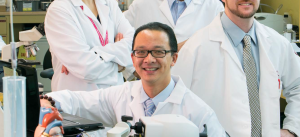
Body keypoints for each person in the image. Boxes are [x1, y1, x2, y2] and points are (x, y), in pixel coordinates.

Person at [172, 0, 300, 137]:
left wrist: (292, 129)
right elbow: (175, 104)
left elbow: (297, 86)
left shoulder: (278, 43)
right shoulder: (197, 47)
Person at [36, 22, 226, 137]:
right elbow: (74, 100)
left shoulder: (199, 113)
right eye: (141, 52)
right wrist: (47, 106)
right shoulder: (121, 94)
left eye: (158, 52)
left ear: (174, 58)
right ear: (132, 58)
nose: (149, 59)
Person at [45, 0, 134, 92]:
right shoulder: (59, 10)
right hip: (77, 105)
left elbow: (134, 46)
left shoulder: (110, 5)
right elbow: (86, 67)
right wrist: (119, 63)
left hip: (115, 99)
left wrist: (95, 53)